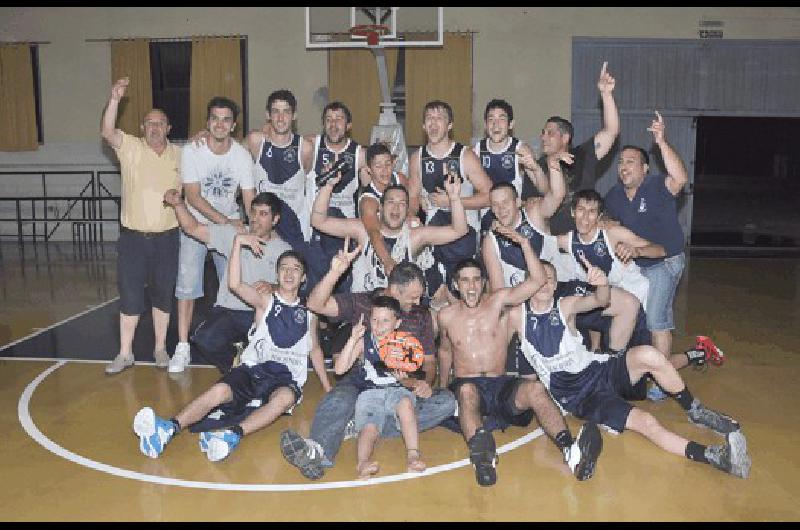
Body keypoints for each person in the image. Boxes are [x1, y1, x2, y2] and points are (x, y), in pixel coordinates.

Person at [515, 257, 751, 479]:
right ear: (529, 282)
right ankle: (715, 457)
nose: (545, 283)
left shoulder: (564, 305)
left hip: (600, 370)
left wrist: (602, 284)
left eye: (551, 279)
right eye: (540, 277)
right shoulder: (517, 318)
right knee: (646, 421)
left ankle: (696, 411)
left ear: (556, 285)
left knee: (649, 355)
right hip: (583, 398)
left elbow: (599, 300)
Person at [437, 226, 603, 486]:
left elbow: (537, 281)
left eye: (476, 279)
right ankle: (483, 460)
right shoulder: (445, 316)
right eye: (465, 280)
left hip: (499, 384)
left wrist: (525, 244)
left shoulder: (499, 303)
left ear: (483, 283)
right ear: (456, 285)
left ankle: (571, 451)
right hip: (466, 387)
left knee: (535, 389)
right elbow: (445, 352)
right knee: (467, 390)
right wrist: (441, 388)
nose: (471, 285)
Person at [132, 247, 329, 462]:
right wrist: (239, 242)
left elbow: (315, 349)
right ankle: (167, 428)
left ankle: (232, 435)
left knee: (283, 399)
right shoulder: (265, 301)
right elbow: (234, 284)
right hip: (253, 370)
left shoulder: (309, 311)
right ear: (277, 274)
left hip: (285, 379)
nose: (289, 274)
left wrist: (327, 386)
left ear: (303, 278)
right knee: (218, 391)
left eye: (295, 269)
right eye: (284, 268)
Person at [280, 247, 456, 480]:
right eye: (412, 297)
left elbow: (430, 362)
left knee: (446, 401)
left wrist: (424, 383)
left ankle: (360, 424)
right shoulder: (363, 302)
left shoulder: (421, 314)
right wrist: (335, 273)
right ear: (394, 290)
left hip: (402, 385)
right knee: (338, 397)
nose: (417, 302)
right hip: (362, 385)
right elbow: (315, 304)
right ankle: (318, 451)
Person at [162, 189, 304, 375]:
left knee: (273, 352)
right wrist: (179, 205)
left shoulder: (283, 249)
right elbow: (193, 228)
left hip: (259, 313)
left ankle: (252, 364)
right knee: (204, 339)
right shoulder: (233, 234)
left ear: (275, 219)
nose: (255, 219)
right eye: (253, 212)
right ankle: (237, 370)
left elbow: (296, 286)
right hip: (228, 310)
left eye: (263, 214)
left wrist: (274, 286)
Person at [604, 111, 691, 399]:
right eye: (620, 162)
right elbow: (607, 226)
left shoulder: (656, 187)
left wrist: (661, 141)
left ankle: (662, 384)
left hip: (666, 261)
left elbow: (680, 177)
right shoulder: (615, 196)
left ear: (644, 169)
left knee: (657, 317)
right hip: (637, 263)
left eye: (630, 162)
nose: (623, 167)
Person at [101, 77, 182, 375]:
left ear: (168, 129)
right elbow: (107, 131)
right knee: (131, 294)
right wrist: (114, 99)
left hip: (167, 239)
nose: (154, 127)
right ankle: (125, 353)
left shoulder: (180, 155)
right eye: (149, 123)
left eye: (160, 123)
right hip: (133, 239)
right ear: (142, 129)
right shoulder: (131, 149)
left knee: (163, 293)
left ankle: (160, 348)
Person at [171, 97, 256, 373]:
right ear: (208, 123)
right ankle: (183, 347)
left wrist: (255, 226)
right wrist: (228, 223)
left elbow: (249, 198)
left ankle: (241, 346)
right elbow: (193, 198)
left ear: (233, 125)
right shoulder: (192, 151)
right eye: (215, 119)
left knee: (235, 287)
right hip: (197, 226)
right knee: (187, 286)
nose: (220, 124)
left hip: (229, 228)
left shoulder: (242, 156)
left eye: (226, 119)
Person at [311, 170, 466, 294]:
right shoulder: (362, 230)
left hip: (400, 310)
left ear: (408, 211)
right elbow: (318, 221)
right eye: (391, 202)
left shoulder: (415, 236)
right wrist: (328, 186)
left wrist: (454, 198)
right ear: (381, 207)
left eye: (402, 204)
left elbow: (459, 230)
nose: (396, 208)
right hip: (365, 306)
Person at [407, 100, 493, 303]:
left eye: (439, 118)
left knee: (462, 300)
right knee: (436, 301)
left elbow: (490, 195)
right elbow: (412, 195)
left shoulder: (465, 156)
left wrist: (454, 201)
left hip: (464, 236)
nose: (433, 123)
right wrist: (412, 216)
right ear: (423, 125)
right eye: (429, 118)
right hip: (434, 237)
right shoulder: (418, 157)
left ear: (450, 125)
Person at [335, 298, 427, 478]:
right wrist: (353, 339)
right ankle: (362, 463)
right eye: (375, 320)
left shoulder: (406, 345)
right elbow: (339, 369)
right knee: (369, 428)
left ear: (397, 323)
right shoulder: (364, 342)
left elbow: (411, 383)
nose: (379, 326)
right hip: (370, 392)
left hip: (397, 389)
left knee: (406, 404)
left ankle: (413, 454)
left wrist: (404, 380)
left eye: (385, 320)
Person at [524, 61, 619, 236]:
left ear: (565, 137)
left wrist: (606, 95)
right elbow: (531, 205)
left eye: (550, 133)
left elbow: (611, 131)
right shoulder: (535, 166)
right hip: (553, 241)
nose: (543, 137)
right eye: (543, 133)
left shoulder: (584, 155)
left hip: (584, 235)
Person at [303, 101, 369, 294]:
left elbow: (374, 185)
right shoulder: (310, 145)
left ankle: (340, 320)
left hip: (343, 228)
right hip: (314, 224)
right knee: (314, 282)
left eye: (339, 119)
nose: (333, 124)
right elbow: (275, 137)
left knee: (342, 280)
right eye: (329, 120)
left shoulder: (360, 153)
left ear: (348, 125)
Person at [247, 90, 312, 252]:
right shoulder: (256, 141)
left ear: (294, 115)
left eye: (286, 112)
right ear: (268, 115)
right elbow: (229, 148)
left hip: (294, 229)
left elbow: (310, 185)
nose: (281, 118)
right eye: (276, 111)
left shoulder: (305, 148)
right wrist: (206, 135)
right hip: (263, 228)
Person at [474, 99, 550, 231]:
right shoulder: (477, 150)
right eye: (491, 119)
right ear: (486, 125)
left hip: (513, 212)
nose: (495, 125)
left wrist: (535, 168)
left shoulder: (520, 149)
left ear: (511, 124)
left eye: (501, 119)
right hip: (488, 212)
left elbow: (545, 190)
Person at [359, 142, 411, 278]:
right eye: (378, 166)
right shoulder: (368, 201)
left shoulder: (400, 179)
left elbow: (412, 205)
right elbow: (373, 232)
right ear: (369, 169)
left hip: (401, 236)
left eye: (388, 164)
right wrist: (387, 261)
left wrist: (412, 215)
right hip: (377, 245)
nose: (384, 170)